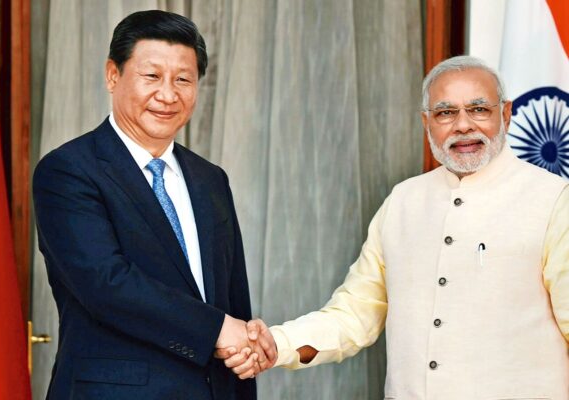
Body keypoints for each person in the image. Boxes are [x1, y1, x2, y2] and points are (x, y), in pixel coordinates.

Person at [218, 56, 569, 399]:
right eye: (446, 112)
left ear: (505, 114)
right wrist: (276, 344)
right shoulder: (404, 200)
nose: (463, 125)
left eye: (479, 109)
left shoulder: (552, 200)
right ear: (426, 122)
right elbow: (355, 313)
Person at [33, 10, 273, 400]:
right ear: (113, 75)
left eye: (183, 79)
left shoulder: (210, 179)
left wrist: (244, 347)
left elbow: (232, 299)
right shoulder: (69, 170)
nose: (168, 94)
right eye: (152, 77)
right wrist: (216, 329)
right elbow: (106, 283)